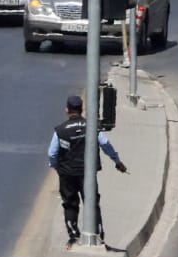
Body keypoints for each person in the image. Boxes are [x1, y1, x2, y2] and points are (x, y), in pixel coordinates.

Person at [47, 94, 127, 249]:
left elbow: (52, 153)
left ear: (67, 110)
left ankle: (73, 237)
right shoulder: (91, 127)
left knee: (70, 204)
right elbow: (105, 144)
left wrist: (56, 167)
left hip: (67, 174)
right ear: (82, 109)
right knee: (91, 203)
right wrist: (117, 161)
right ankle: (98, 236)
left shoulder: (60, 130)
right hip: (87, 174)